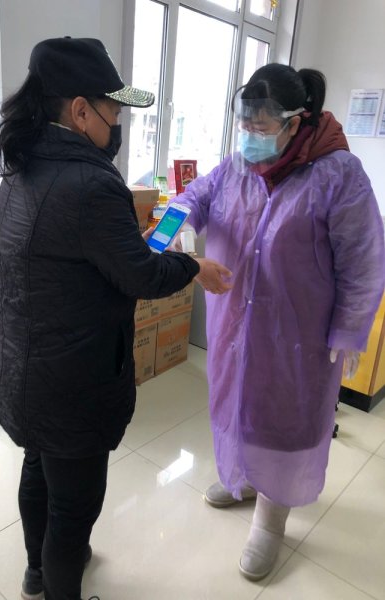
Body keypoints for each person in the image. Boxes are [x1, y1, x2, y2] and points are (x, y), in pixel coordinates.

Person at [0, 37, 232, 600]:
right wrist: (193, 265)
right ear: (81, 111)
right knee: (73, 509)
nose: (118, 122)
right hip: (72, 381)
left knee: (38, 469)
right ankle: (59, 586)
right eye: (113, 110)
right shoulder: (93, 184)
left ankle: (36, 574)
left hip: (25, 367)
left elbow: (64, 260)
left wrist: (127, 246)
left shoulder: (20, 167)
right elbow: (142, 278)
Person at [171, 63, 385, 581]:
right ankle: (244, 478)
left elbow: (362, 259)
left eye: (261, 127)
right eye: (244, 125)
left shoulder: (338, 175)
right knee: (238, 403)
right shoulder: (237, 166)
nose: (249, 136)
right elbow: (194, 196)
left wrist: (349, 330)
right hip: (235, 326)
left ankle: (270, 519)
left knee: (283, 419)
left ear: (295, 122)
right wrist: (172, 228)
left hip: (299, 335)